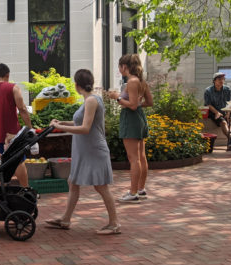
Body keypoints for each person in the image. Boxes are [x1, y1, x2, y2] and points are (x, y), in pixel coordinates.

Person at [45, 69, 120, 235]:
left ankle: (114, 224)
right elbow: (80, 121)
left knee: (101, 186)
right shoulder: (88, 100)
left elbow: (85, 128)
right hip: (84, 150)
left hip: (93, 149)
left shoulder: (92, 101)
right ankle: (65, 219)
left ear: (77, 85)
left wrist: (59, 127)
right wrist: (63, 122)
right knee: (73, 182)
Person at [107, 53, 153, 202]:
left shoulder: (131, 82)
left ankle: (133, 193)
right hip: (139, 118)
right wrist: (136, 103)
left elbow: (132, 106)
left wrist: (117, 98)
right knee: (141, 156)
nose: (119, 69)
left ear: (124, 67)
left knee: (133, 158)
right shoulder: (141, 81)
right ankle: (140, 189)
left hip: (131, 119)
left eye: (119, 66)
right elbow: (149, 102)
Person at [0, 63, 33, 186]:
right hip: (12, 134)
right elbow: (23, 109)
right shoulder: (14, 88)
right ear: (7, 75)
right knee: (18, 161)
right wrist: (30, 128)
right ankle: (25, 189)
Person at [204, 72, 231, 151]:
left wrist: (228, 112)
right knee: (223, 122)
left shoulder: (227, 89)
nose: (221, 81)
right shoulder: (208, 91)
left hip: (225, 110)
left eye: (223, 79)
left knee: (228, 123)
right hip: (213, 111)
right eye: (219, 79)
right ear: (214, 80)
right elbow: (208, 104)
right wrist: (217, 112)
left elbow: (230, 103)